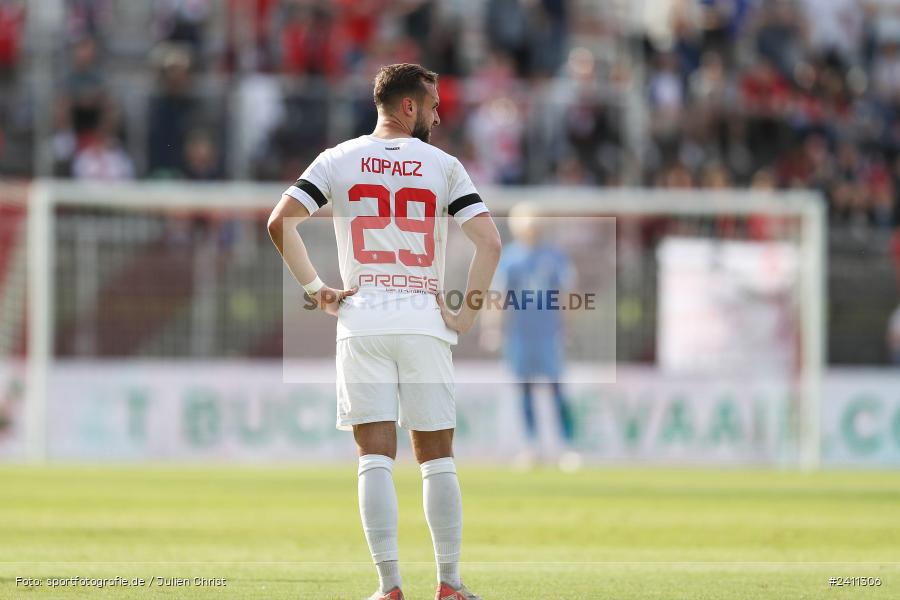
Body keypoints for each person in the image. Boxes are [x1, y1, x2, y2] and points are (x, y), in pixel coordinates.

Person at [267, 63, 500, 600]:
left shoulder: (337, 159)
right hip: (423, 318)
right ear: (409, 106)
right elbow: (489, 242)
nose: (440, 114)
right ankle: (449, 584)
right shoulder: (443, 165)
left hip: (362, 317)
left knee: (374, 455)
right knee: (436, 457)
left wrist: (315, 287)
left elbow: (280, 221)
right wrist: (466, 314)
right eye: (434, 103)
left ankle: (389, 586)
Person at [483, 202, 578, 469]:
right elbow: (498, 297)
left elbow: (566, 295)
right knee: (524, 390)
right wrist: (493, 328)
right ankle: (531, 444)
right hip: (520, 335)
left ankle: (566, 445)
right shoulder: (510, 258)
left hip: (548, 334)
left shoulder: (555, 257)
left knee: (557, 389)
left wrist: (566, 327)